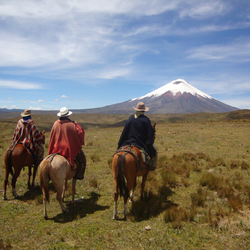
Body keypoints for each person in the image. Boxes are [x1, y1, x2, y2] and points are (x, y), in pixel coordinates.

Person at [48, 107, 86, 180]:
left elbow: (52, 137)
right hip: (68, 149)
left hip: (56, 148)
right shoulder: (71, 124)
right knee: (82, 160)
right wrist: (77, 124)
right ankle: (79, 175)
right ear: (68, 115)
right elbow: (80, 133)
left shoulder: (55, 123)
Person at [118, 101, 157, 169]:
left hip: (127, 142)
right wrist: (149, 143)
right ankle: (152, 167)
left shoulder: (130, 118)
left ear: (136, 109)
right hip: (139, 144)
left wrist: (120, 144)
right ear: (144, 111)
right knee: (155, 150)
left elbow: (124, 132)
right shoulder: (146, 119)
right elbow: (150, 134)